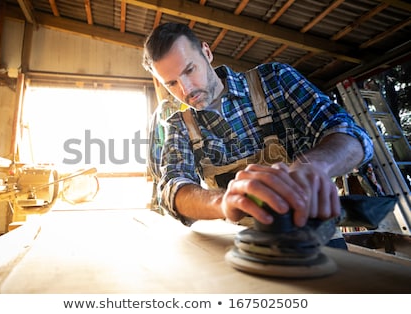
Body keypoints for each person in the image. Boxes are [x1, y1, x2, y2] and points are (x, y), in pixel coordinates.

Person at [142, 22, 374, 245]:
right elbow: (172, 189)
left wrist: (310, 168)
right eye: (171, 83)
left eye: (190, 70)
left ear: (207, 52)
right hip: (240, 245)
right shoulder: (179, 125)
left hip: (314, 238)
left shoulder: (275, 80)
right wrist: (223, 202)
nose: (186, 89)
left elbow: (349, 133)